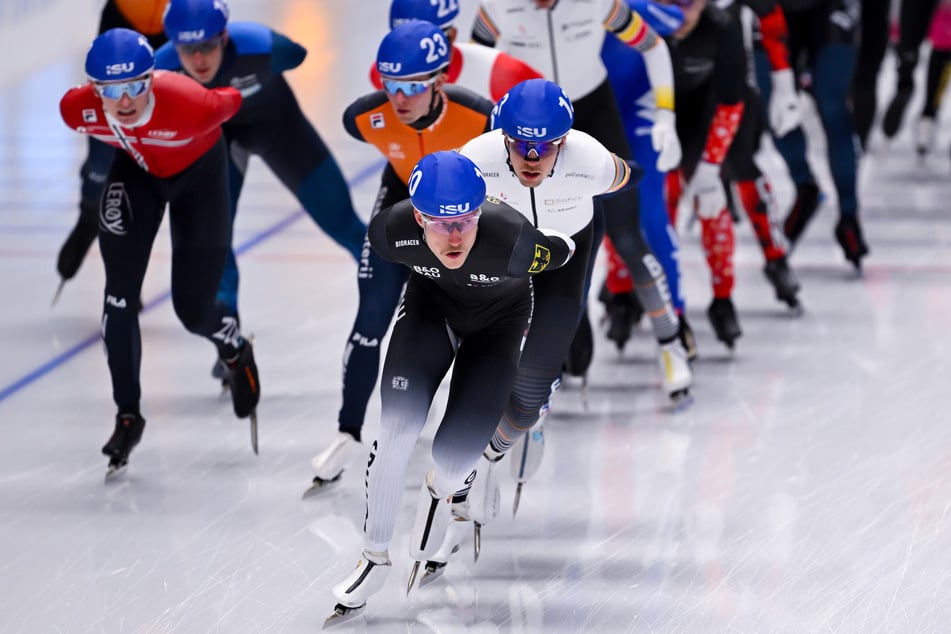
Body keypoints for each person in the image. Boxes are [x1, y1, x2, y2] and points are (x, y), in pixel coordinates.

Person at [443, 79, 691, 571]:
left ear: (564, 143)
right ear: (502, 137)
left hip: (564, 261)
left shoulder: (592, 161)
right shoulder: (477, 157)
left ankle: (495, 453)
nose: (532, 157)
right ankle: (463, 466)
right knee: (469, 365)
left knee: (531, 392)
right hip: (502, 257)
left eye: (545, 146)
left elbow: (630, 173)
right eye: (521, 144)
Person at [325, 151, 575, 625]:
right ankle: (372, 557)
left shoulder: (515, 241)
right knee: (396, 430)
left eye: (465, 220)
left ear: (481, 210)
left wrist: (561, 237)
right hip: (430, 312)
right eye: (440, 223)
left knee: (454, 458)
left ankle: (452, 488)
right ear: (418, 217)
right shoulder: (389, 232)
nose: (455, 235)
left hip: (498, 329)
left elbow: (563, 250)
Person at [305, 20, 495, 495]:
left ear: (438, 82)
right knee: (371, 316)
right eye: (391, 85)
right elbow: (360, 121)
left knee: (473, 319)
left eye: (412, 85)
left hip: (458, 217)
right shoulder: (366, 116)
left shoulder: (480, 118)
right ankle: (348, 430)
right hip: (402, 205)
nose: (400, 98)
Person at [59, 28, 260, 476]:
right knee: (118, 299)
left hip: (201, 182)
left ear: (152, 79)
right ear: (95, 89)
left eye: (135, 86)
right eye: (112, 91)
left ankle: (232, 345)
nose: (125, 101)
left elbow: (234, 98)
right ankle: (128, 414)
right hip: (137, 175)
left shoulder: (194, 103)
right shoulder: (77, 109)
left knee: (192, 309)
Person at [472, 0, 690, 384]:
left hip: (593, 115)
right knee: (526, 245)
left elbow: (652, 45)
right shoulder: (497, 5)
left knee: (627, 237)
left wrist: (668, 115)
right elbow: (476, 62)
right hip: (526, 131)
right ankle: (532, 358)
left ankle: (671, 344)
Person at [156, 0, 367, 374]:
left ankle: (410, 309)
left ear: (225, 36)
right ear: (174, 46)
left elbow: (299, 53)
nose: (200, 58)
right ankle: (229, 339)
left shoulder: (264, 48)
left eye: (208, 45)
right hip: (218, 145)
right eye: (188, 49)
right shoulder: (162, 69)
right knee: (215, 243)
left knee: (346, 226)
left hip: (280, 130)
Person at [54, 0, 170, 304]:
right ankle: (90, 211)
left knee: (143, 161)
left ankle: (128, 272)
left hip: (172, 31)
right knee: (103, 152)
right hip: (122, 24)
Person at [753, 0, 868, 271]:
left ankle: (849, 214)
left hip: (830, 9)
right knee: (772, 106)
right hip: (770, 8)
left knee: (833, 105)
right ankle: (805, 186)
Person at [371, 0, 545, 102]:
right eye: (402, 40)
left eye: (423, 43)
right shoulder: (383, 73)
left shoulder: (500, 72)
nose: (412, 51)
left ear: (452, 36)